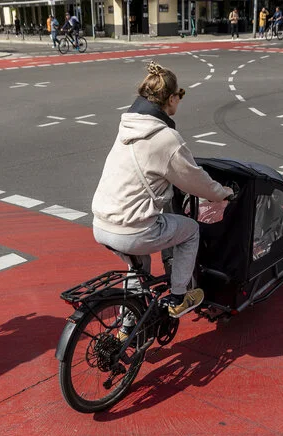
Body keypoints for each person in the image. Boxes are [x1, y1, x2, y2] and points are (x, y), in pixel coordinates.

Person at [91, 62, 234, 340]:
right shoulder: (166, 138)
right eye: (179, 95)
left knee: (138, 267)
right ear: (171, 99)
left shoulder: (126, 127)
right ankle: (179, 296)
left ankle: (127, 328)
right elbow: (196, 182)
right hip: (134, 229)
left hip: (101, 224)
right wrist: (223, 193)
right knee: (190, 231)